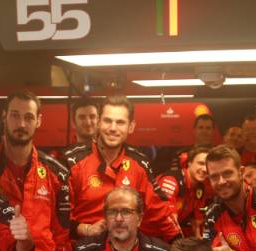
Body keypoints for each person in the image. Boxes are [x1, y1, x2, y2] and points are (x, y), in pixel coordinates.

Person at [0, 91, 72, 251]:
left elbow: (62, 234)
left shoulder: (57, 173)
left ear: (39, 121)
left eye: (29, 117)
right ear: (4, 116)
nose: (22, 124)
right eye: (15, 115)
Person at [66, 95, 181, 242]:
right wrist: (86, 229)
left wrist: (182, 247)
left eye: (120, 122)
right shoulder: (72, 162)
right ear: (99, 123)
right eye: (108, 121)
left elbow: (161, 213)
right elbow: (56, 218)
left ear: (131, 127)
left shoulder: (139, 164)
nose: (113, 128)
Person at [155, 145, 212, 238]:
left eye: (208, 165)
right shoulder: (171, 180)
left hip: (172, 233)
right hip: (153, 233)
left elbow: (196, 222)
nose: (205, 169)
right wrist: (181, 242)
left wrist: (200, 241)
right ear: (189, 163)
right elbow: (167, 218)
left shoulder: (200, 188)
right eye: (201, 163)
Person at [60, 97, 100, 162]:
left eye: (92, 117)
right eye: (82, 117)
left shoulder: (109, 153)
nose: (88, 123)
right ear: (73, 122)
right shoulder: (65, 157)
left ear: (98, 121)